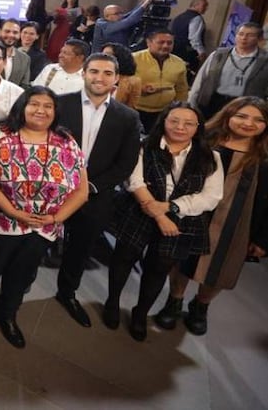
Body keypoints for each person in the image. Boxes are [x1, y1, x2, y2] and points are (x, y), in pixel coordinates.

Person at [0, 87, 88, 348]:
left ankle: (6, 314)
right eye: (34, 104)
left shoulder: (66, 141)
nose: (41, 110)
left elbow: (82, 190)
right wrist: (13, 211)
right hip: (2, 221)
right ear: (22, 106)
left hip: (44, 226)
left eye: (48, 106)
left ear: (55, 112)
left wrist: (56, 218)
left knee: (22, 275)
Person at [106, 103, 223, 341]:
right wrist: (159, 215)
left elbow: (211, 197)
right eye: (174, 121)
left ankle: (140, 313)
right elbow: (134, 181)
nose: (180, 127)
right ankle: (112, 301)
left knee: (159, 268)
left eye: (188, 123)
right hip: (140, 210)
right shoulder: (144, 145)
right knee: (123, 258)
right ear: (164, 121)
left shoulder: (211, 157)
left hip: (181, 220)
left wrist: (170, 207)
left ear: (198, 127)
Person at [153, 96, 268, 336]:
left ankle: (201, 306)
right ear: (228, 116)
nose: (249, 123)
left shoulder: (264, 157)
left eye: (259, 120)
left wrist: (262, 238)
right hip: (196, 214)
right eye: (242, 116)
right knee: (183, 260)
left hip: (238, 223)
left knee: (222, 267)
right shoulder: (204, 142)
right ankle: (174, 301)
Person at [51, 53, 142, 328]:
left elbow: (126, 162)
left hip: (95, 193)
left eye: (106, 73)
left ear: (116, 79)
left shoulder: (128, 117)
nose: (99, 78)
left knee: (80, 249)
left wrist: (90, 186)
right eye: (93, 72)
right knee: (33, 245)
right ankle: (16, 291)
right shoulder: (60, 104)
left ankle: (66, 293)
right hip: (54, 189)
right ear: (84, 74)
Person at [189, 22, 268, 121]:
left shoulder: (264, 60)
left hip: (244, 107)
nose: (244, 38)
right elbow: (200, 80)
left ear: (259, 39)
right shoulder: (218, 55)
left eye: (250, 35)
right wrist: (191, 103)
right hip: (212, 103)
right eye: (241, 34)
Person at [133, 29, 190, 132]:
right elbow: (122, 84)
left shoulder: (179, 63)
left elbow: (182, 89)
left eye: (169, 43)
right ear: (148, 42)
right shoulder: (134, 59)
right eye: (161, 42)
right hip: (135, 110)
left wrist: (179, 109)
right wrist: (140, 89)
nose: (165, 46)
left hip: (164, 113)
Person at [170, 0, 209, 68]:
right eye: (204, 6)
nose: (206, 8)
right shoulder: (196, 18)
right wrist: (201, 52)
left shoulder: (179, 16)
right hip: (188, 53)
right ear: (195, 5)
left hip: (174, 50)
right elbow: (194, 38)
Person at [103, 42, 143, 110]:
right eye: (102, 55)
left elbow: (131, 109)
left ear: (120, 58)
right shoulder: (94, 75)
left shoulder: (133, 82)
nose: (103, 58)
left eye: (108, 55)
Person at [0, 19, 32, 91]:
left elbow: (24, 86)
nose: (11, 35)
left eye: (15, 32)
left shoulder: (25, 59)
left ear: (19, 35)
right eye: (7, 31)